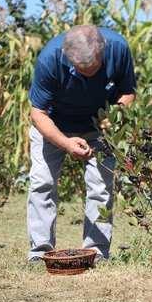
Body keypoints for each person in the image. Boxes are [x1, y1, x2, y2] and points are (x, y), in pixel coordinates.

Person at [26, 25, 136, 262]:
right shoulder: (50, 58)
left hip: (100, 125)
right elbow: (38, 114)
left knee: (101, 187)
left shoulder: (118, 48)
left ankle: (97, 252)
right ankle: (40, 252)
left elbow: (127, 93)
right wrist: (65, 143)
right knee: (42, 183)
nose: (88, 75)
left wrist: (113, 119)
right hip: (53, 124)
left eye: (93, 69)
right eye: (80, 70)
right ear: (68, 57)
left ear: (102, 52)